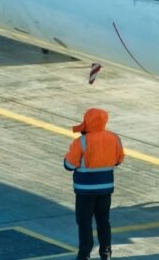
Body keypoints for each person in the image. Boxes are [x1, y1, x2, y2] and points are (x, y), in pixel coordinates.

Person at [64, 108, 125, 260]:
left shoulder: (82, 141)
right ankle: (106, 253)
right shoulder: (114, 138)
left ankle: (84, 254)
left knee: (84, 223)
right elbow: (119, 160)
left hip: (85, 190)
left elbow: (69, 165)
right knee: (103, 221)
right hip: (105, 188)